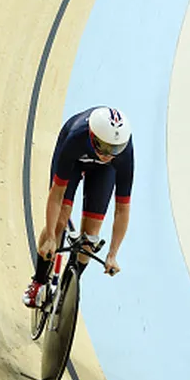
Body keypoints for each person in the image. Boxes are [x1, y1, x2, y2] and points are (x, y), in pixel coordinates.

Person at [22, 106, 134, 308]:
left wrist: (112, 254)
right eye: (104, 147)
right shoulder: (76, 137)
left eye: (114, 149)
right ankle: (38, 281)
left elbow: (122, 209)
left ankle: (68, 289)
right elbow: (57, 194)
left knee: (90, 237)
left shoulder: (124, 151)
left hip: (103, 172)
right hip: (74, 162)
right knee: (60, 221)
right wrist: (50, 236)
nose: (108, 154)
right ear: (93, 136)